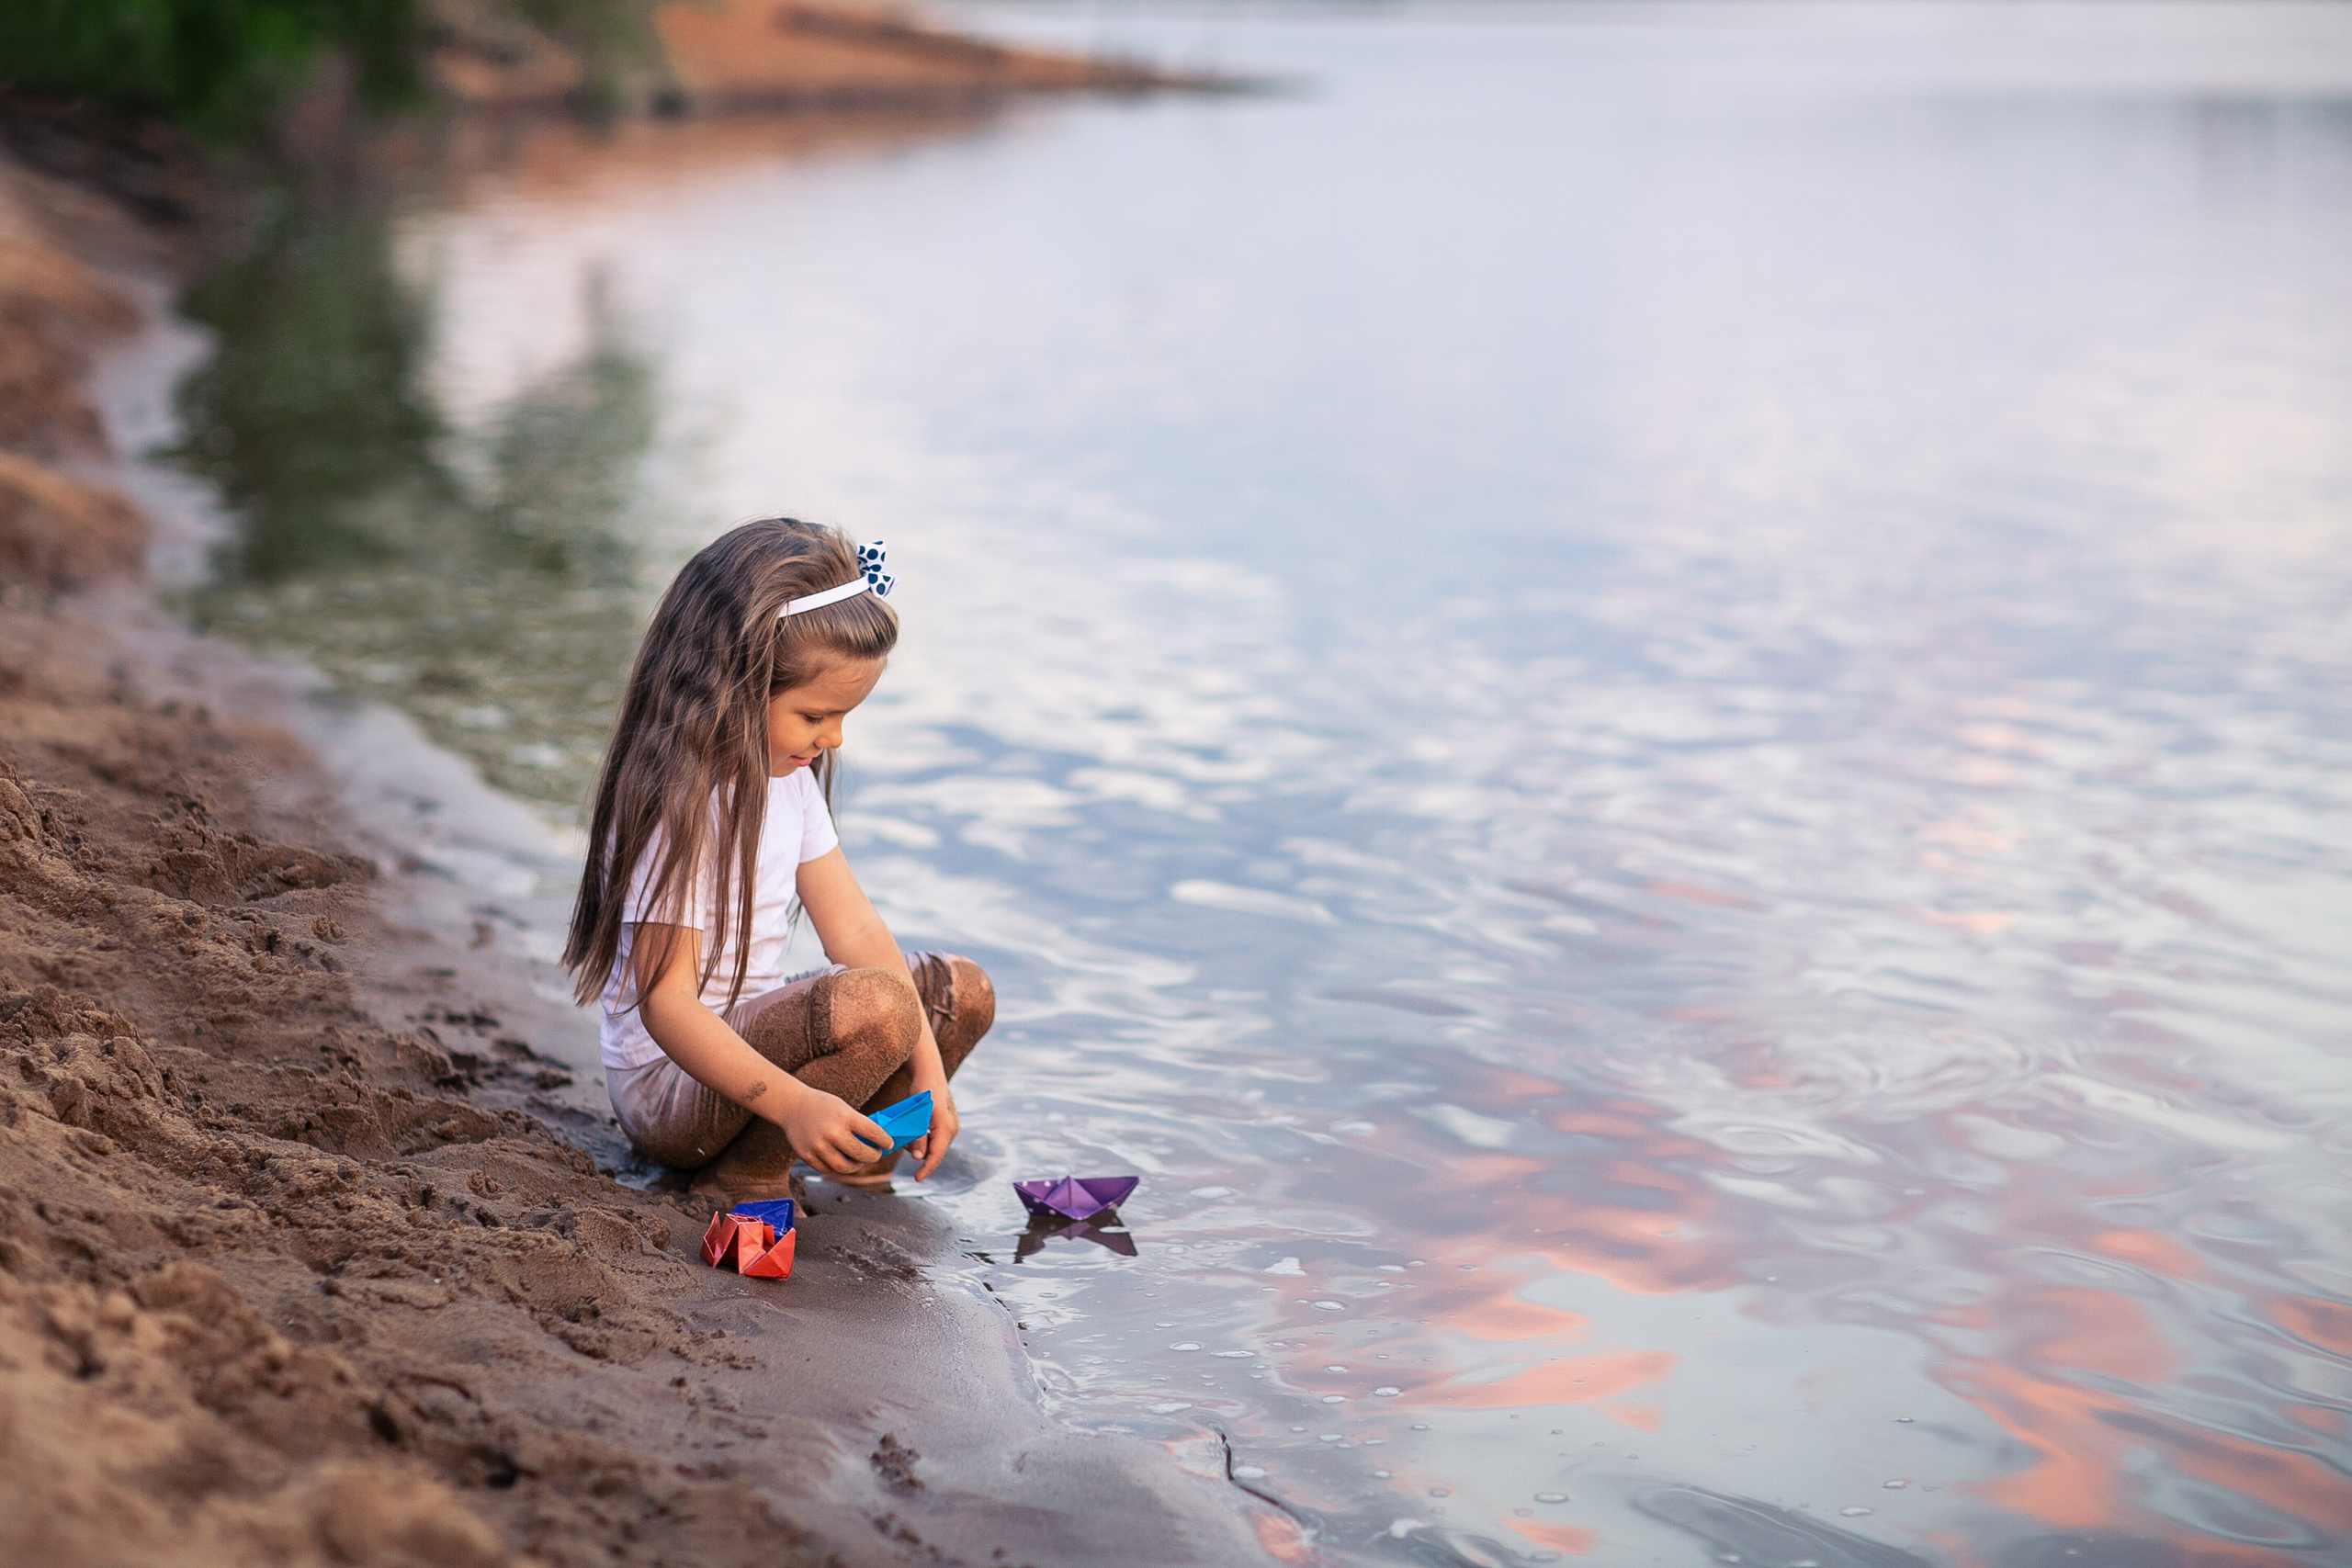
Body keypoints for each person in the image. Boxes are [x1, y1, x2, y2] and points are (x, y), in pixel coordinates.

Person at [563, 519, 993, 1201]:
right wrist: (794, 1103)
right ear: (734, 683)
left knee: (959, 991)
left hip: (754, 1043)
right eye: (816, 715)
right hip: (669, 1087)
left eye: (844, 716)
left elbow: (857, 936)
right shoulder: (679, 806)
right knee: (876, 1003)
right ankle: (746, 1174)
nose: (835, 738)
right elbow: (667, 1005)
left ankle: (861, 1159)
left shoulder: (788, 784)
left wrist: (929, 1070)